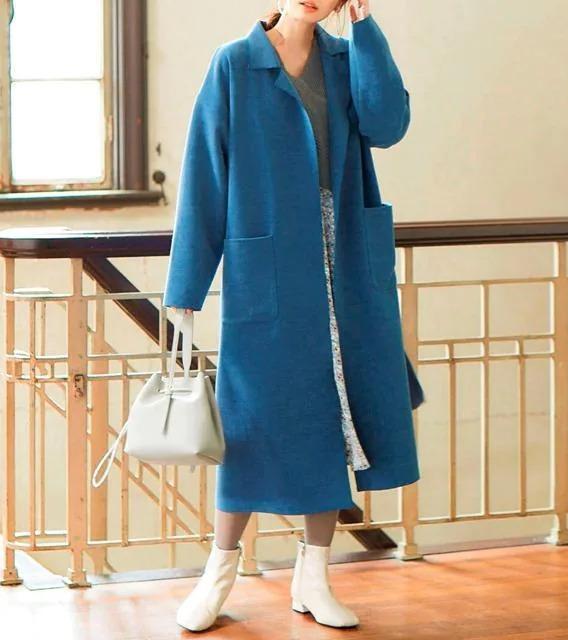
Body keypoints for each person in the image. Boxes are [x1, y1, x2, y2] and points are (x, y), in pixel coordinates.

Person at [164, 0, 422, 631]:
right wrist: (186, 286)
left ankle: (314, 577)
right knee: (249, 425)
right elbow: (206, 174)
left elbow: (388, 123)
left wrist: (365, 26)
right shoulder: (235, 64)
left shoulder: (348, 58)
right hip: (272, 266)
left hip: (344, 267)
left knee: (333, 418)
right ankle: (219, 572)